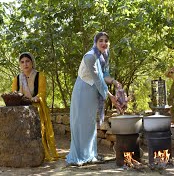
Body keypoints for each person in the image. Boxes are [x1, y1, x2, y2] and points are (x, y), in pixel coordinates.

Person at [66, 32, 121, 166]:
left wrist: (115, 82)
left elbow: (105, 76)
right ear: (95, 42)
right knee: (80, 122)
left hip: (92, 91)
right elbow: (98, 80)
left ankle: (90, 155)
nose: (104, 43)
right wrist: (111, 96)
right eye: (100, 40)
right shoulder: (90, 57)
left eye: (106, 41)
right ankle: (78, 156)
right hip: (83, 90)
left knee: (90, 124)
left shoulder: (104, 56)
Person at [11, 52, 59, 161]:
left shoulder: (39, 75)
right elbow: (14, 94)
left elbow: (42, 93)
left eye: (27, 61)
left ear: (32, 62)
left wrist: (36, 98)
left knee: (40, 129)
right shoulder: (17, 79)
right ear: (20, 64)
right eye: (22, 62)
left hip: (37, 106)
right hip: (21, 107)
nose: (25, 64)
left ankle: (42, 153)